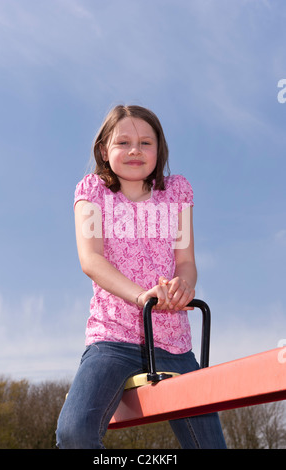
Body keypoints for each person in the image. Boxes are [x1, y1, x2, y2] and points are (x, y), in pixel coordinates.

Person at [56, 104, 226, 449]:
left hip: (173, 343)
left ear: (159, 150)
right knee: (74, 432)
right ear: (105, 150)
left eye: (146, 143)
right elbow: (91, 260)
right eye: (124, 142)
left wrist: (184, 284)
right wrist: (140, 296)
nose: (135, 150)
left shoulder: (175, 193)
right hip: (114, 338)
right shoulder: (93, 192)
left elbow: (186, 262)